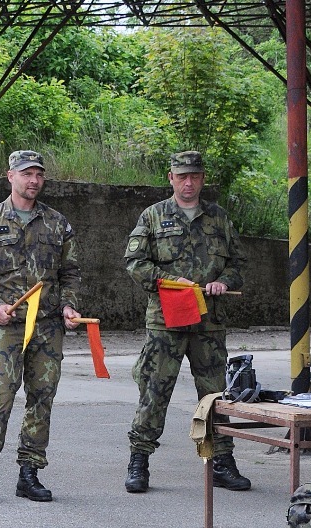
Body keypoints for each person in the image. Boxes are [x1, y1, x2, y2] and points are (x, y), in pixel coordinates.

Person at [123, 150, 249, 493]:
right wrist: (167, 280)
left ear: (202, 179)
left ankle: (222, 460)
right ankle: (139, 460)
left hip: (209, 321)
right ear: (171, 178)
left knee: (214, 395)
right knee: (155, 390)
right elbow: (135, 263)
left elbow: (238, 263)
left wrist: (226, 281)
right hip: (167, 321)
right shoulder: (152, 217)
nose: (188, 182)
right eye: (182, 177)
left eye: (194, 176)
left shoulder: (218, 218)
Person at [0, 150, 82, 505]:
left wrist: (69, 305)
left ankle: (29, 474)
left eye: (39, 175)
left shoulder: (58, 224)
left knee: (42, 399)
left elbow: (70, 272)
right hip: (8, 326)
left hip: (47, 328)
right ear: (10, 176)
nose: (33, 181)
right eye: (26, 173)